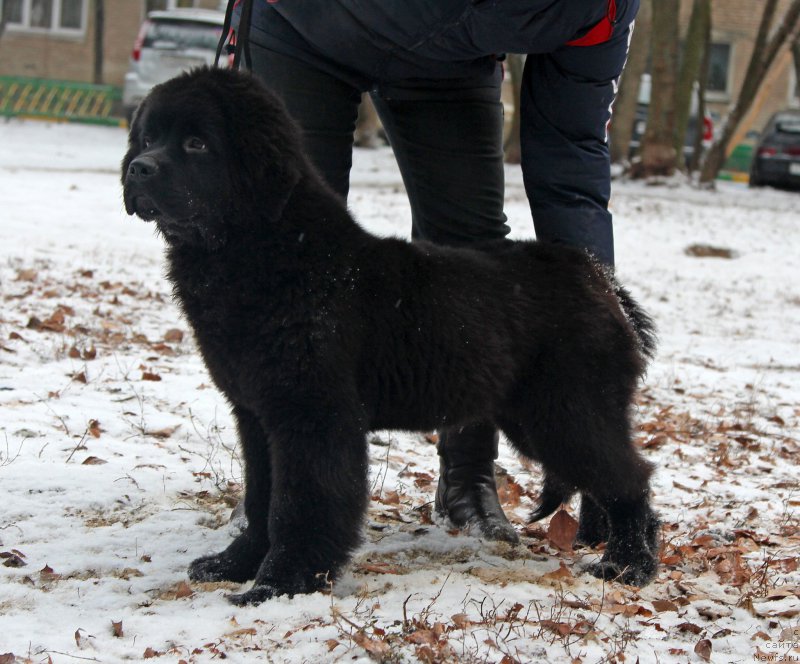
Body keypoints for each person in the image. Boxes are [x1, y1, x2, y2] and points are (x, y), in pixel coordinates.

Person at [222, 0, 640, 544]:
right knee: (289, 244)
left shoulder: (603, 10)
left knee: (472, 249)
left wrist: (588, 335)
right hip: (303, 30)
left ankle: (467, 477)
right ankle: (279, 491)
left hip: (445, 66)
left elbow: (571, 159)